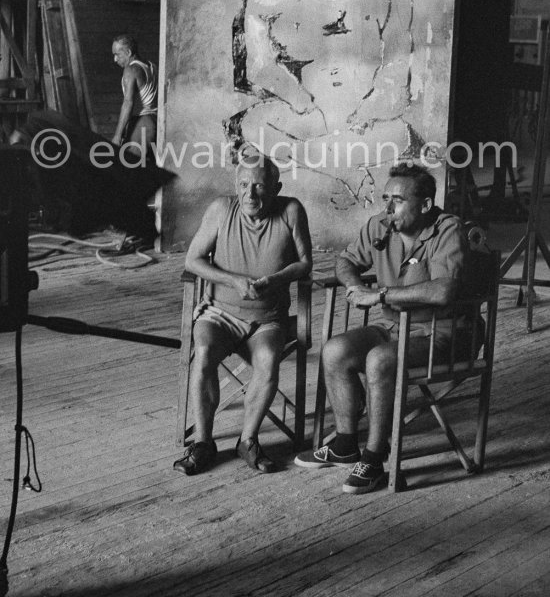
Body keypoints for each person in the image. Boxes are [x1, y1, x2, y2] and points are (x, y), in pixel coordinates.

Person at [295, 162, 468, 494]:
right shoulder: (380, 226)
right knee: (334, 350)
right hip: (392, 325)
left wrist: (382, 294)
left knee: (379, 360)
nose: (387, 207)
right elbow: (345, 261)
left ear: (426, 205)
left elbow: (444, 289)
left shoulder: (448, 229)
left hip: (442, 332)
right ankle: (346, 443)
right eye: (385, 197)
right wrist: (354, 288)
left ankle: (374, 459)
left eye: (398, 200)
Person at [173, 152, 312, 476]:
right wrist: (232, 280)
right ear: (236, 185)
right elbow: (193, 261)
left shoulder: (291, 210)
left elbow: (305, 263)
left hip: (267, 318)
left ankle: (247, 440)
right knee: (204, 352)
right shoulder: (222, 209)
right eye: (244, 185)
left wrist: (275, 280)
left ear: (276, 188)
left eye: (260, 186)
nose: (250, 194)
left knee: (267, 361)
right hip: (219, 314)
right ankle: (204, 443)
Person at [111, 34, 158, 151]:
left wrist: (117, 136)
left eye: (117, 54)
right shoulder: (152, 66)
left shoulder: (131, 70)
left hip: (143, 124)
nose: (115, 59)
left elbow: (128, 103)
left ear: (128, 52)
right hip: (156, 121)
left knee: (130, 166)